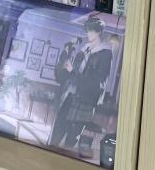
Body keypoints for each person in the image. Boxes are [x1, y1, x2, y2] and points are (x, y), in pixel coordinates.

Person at [48, 16, 113, 150]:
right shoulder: (83, 51)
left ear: (99, 32)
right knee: (54, 137)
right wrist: (66, 53)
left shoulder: (105, 55)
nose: (88, 33)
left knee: (70, 142)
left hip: (85, 102)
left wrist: (73, 72)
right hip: (69, 98)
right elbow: (62, 77)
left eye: (92, 30)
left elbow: (98, 84)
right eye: (87, 30)